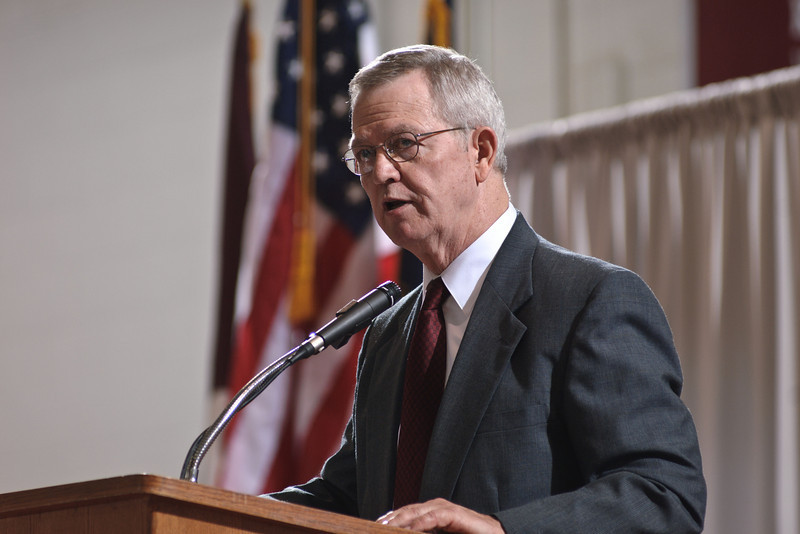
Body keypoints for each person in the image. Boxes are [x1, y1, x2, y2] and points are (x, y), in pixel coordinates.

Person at [266, 44, 706, 533]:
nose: (381, 172)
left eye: (404, 144)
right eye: (365, 154)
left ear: (481, 151)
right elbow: (352, 497)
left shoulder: (589, 301)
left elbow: (663, 495)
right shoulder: (389, 333)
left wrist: (501, 530)